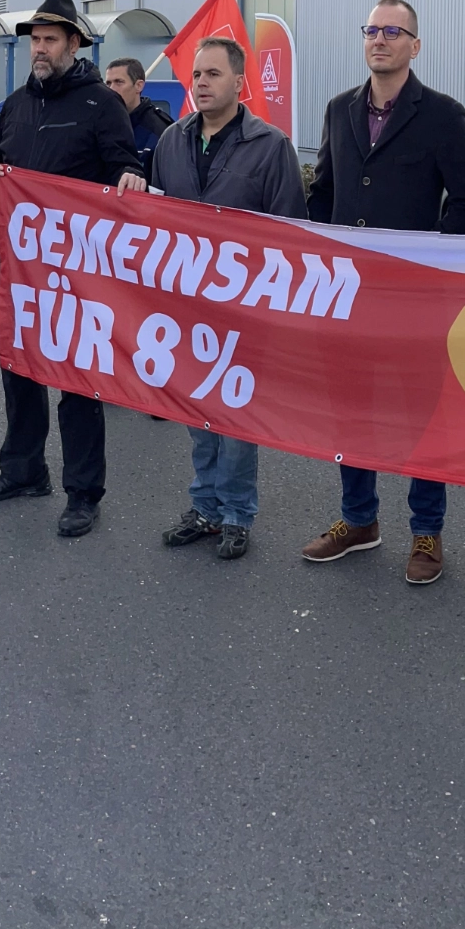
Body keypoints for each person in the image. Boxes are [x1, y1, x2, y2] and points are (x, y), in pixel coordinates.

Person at [302, 0, 465, 585]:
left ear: (415, 44)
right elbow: (326, 193)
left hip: (413, 303)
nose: (378, 39)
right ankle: (359, 520)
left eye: (392, 31)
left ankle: (426, 530)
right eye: (371, 30)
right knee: (352, 408)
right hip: (349, 297)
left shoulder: (442, 115)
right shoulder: (338, 110)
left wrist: (426, 267)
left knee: (419, 414)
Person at [0, 0, 147, 537]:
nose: (40, 48)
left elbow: (123, 164)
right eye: (35, 39)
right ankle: (24, 471)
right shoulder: (17, 103)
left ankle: (83, 492)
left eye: (50, 39)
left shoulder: (101, 103)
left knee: (77, 381)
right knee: (19, 367)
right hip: (21, 269)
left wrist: (129, 178)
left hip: (78, 274)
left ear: (75, 43)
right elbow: (3, 163)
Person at [150, 36, 308, 561]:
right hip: (188, 308)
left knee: (237, 417)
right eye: (196, 74)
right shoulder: (172, 140)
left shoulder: (271, 145)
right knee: (198, 414)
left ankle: (237, 513)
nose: (201, 83)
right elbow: (156, 221)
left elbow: (290, 232)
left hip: (244, 310)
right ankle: (205, 508)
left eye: (213, 74)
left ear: (240, 83)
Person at [105, 58, 175, 184]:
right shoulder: (100, 124)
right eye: (108, 83)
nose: (111, 89)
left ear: (139, 85)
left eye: (119, 82)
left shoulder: (159, 130)